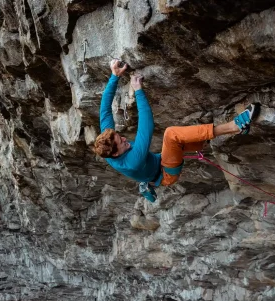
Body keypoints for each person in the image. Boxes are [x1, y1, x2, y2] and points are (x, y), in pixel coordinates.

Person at [94, 59, 259, 202]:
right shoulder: (131, 162)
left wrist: (114, 76)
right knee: (171, 135)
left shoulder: (108, 143)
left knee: (187, 140)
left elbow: (105, 110)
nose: (123, 138)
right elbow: (146, 127)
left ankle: (235, 131)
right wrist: (138, 91)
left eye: (119, 136)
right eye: (120, 142)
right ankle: (234, 126)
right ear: (115, 154)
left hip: (158, 161)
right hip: (166, 173)